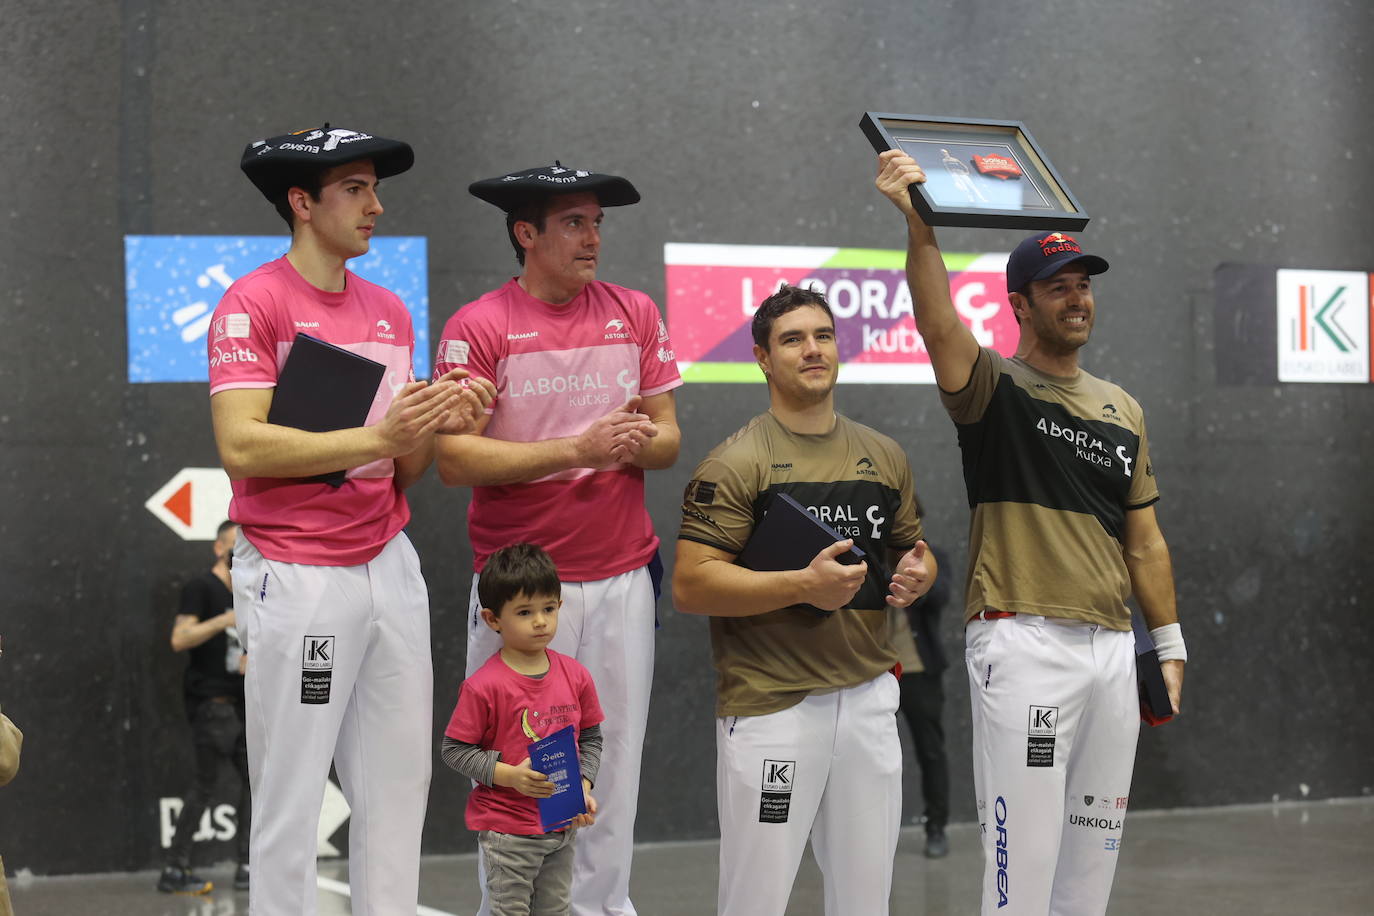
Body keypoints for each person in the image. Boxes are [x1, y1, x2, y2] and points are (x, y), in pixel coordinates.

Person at [875, 150, 1187, 916]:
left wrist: (1169, 646)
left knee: (1091, 868)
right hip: (1023, 644)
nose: (1077, 299)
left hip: (1113, 652)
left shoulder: (1124, 409)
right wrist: (919, 223)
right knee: (1023, 870)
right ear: (1020, 303)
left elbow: (1144, 542)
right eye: (1059, 288)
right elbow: (937, 319)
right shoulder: (992, 390)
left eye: (1084, 286)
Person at [208, 123, 495, 916]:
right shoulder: (252, 303)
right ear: (302, 203)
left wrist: (438, 419)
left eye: (375, 188)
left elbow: (407, 465)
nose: (376, 205)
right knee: (292, 792)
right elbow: (240, 443)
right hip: (297, 574)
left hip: (387, 563)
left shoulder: (390, 309)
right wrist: (383, 433)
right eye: (357, 190)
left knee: (399, 786)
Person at [434, 162, 681, 916]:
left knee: (611, 762)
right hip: (524, 592)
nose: (593, 238)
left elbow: (669, 440)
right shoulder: (478, 327)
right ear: (526, 234)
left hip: (621, 577)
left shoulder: (634, 311)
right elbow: (452, 459)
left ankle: (603, 907)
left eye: (597, 223)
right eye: (575, 223)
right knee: (523, 768)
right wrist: (579, 449)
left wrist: (634, 442)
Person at [673, 283, 937, 916]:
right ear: (763, 357)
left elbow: (910, 549)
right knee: (756, 899)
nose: (812, 350)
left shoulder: (884, 455)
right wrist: (800, 585)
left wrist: (917, 570)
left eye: (822, 336)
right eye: (792, 339)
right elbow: (690, 584)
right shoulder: (735, 463)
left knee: (866, 898)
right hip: (772, 706)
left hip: (868, 699)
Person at [441, 543, 604, 916]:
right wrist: (509, 775)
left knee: (556, 909)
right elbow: (455, 749)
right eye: (525, 612)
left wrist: (584, 785)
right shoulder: (484, 686)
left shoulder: (575, 675)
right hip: (508, 835)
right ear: (493, 619)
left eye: (549, 608)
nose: (540, 622)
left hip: (562, 828)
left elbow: (591, 737)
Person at [157, 520, 250, 895]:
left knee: (256, 785)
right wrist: (224, 620)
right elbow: (180, 639)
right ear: (218, 548)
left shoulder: (248, 592)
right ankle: (175, 869)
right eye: (233, 548)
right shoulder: (201, 588)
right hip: (212, 706)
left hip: (243, 706)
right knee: (206, 787)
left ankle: (247, 865)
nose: (238, 555)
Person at [887, 543, 952, 859]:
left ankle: (936, 828)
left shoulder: (932, 556)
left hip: (918, 670)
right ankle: (873, 834)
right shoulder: (867, 551)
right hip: (874, 672)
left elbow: (940, 596)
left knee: (931, 752)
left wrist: (915, 575)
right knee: (871, 760)